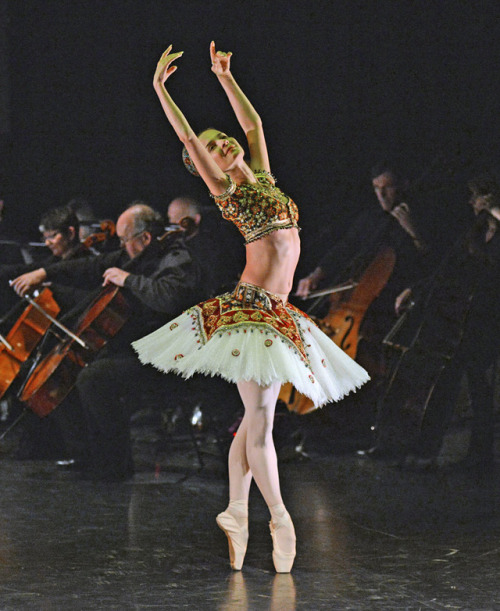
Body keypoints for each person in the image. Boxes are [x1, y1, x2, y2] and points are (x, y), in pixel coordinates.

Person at [132, 42, 369, 573]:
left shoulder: (263, 177)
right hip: (250, 312)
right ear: (205, 167)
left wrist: (224, 77)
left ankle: (238, 511)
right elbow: (189, 138)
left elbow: (255, 125)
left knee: (252, 420)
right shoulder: (226, 193)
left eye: (225, 140)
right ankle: (280, 518)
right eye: (214, 149)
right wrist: (159, 91)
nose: (225, 146)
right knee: (260, 424)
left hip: (279, 311)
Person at [12, 202, 203, 481]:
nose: (122, 246)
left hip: (168, 356)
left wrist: (128, 279)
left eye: (125, 240)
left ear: (146, 238)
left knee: (94, 377)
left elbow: (167, 296)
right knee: (75, 368)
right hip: (139, 348)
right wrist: (45, 273)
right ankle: (89, 454)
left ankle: (115, 465)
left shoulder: (176, 259)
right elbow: (93, 264)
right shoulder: (135, 256)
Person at [392, 170, 500, 471]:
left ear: (489, 197)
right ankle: (427, 451)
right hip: (464, 320)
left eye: (476, 196)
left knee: (482, 390)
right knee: (448, 381)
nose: (471, 202)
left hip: (490, 319)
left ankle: (479, 457)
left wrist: (493, 206)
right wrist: (415, 288)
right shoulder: (475, 230)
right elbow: (446, 267)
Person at [167, 196, 242, 295]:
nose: (175, 230)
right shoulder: (175, 246)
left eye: (180, 223)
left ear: (196, 219)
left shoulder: (217, 243)